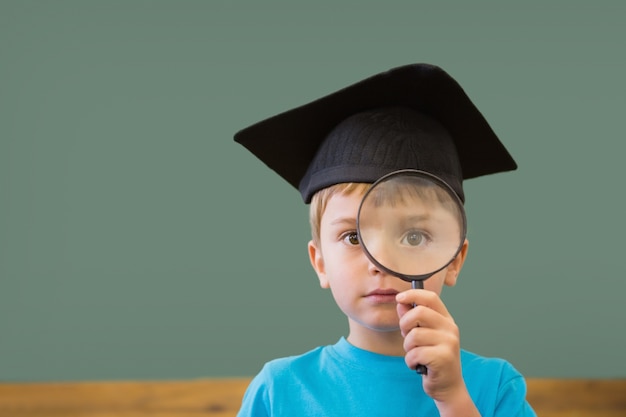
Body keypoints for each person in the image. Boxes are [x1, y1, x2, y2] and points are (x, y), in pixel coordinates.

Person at [233, 63, 536, 416]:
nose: (380, 263)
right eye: (352, 237)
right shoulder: (279, 390)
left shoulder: (494, 386)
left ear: (454, 258)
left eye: (413, 236)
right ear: (319, 262)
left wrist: (452, 397)